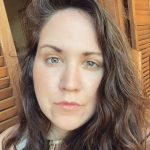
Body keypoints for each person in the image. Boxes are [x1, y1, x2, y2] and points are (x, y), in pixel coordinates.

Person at [0, 0, 150, 149]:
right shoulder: (8, 143)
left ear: (110, 75)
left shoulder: (137, 141)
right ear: (31, 67)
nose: (70, 84)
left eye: (91, 63)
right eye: (53, 59)